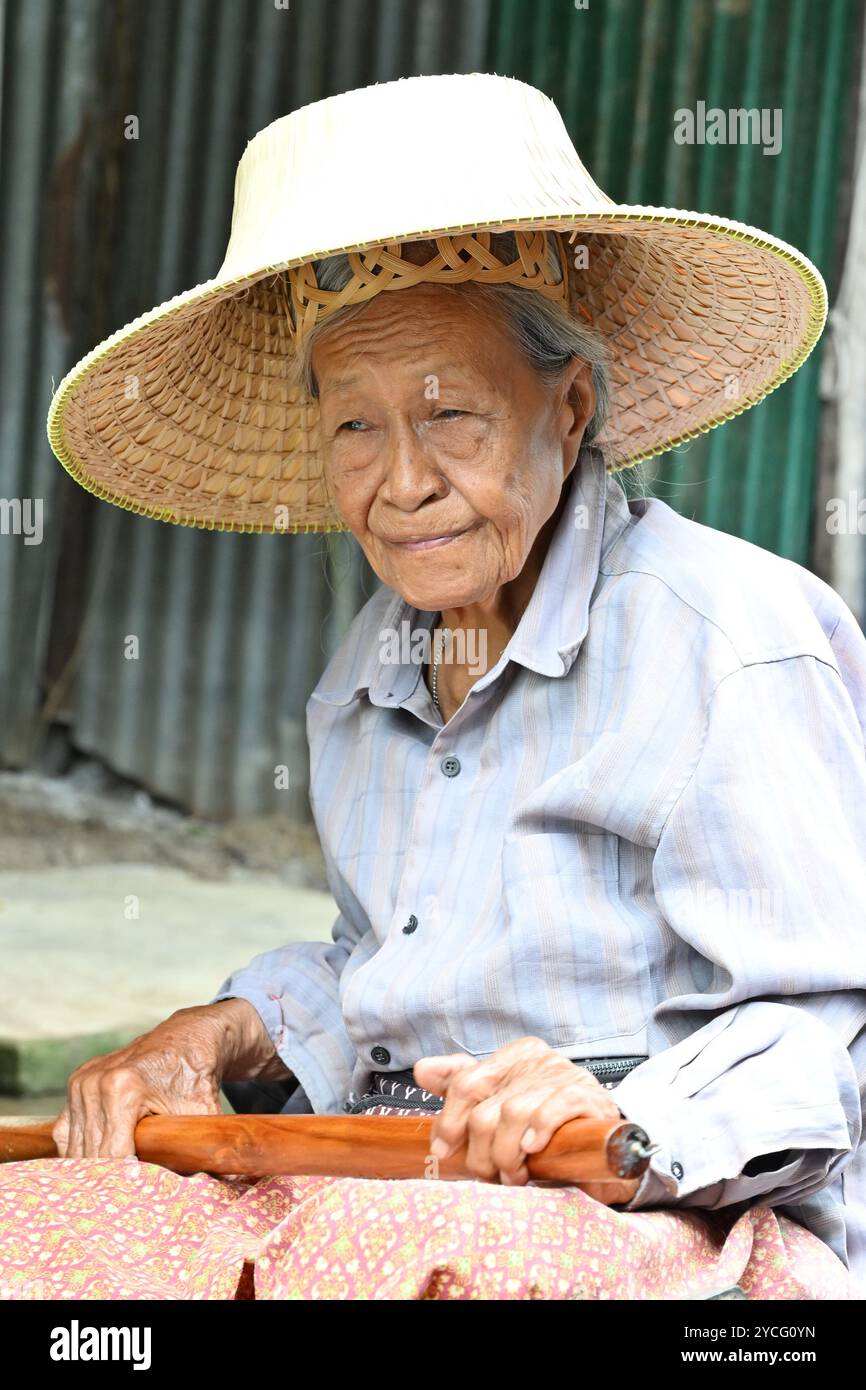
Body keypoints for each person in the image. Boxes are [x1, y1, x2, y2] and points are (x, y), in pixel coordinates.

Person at [20, 73, 865, 1301]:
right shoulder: (371, 667)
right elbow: (380, 962)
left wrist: (613, 1115)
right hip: (404, 1191)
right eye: (354, 427)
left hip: (671, 1221)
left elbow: (821, 1028)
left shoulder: (727, 635)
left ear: (565, 411)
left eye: (451, 415)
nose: (399, 481)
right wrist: (219, 1031)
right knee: (38, 1232)